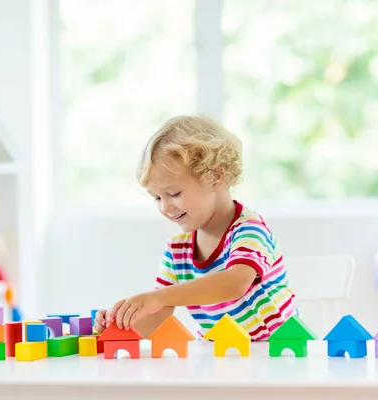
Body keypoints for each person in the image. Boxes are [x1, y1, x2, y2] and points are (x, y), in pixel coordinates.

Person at [94, 115, 297, 340]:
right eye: (157, 198)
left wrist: (159, 298)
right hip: (222, 355)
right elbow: (157, 312)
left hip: (277, 353)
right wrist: (120, 324)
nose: (165, 207)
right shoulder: (177, 249)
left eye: (173, 194)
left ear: (216, 177)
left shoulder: (249, 230)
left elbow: (234, 284)